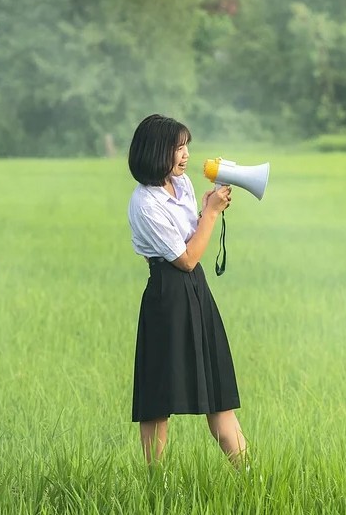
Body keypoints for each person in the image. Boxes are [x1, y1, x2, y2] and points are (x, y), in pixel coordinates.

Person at [127, 114, 247, 465]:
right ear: (155, 152)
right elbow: (187, 258)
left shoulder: (181, 186)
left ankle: (250, 478)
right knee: (157, 400)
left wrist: (208, 210)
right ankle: (155, 483)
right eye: (178, 148)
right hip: (167, 295)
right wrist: (209, 214)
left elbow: (192, 239)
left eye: (186, 147)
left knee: (219, 392)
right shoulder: (145, 204)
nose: (186, 155)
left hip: (196, 292)